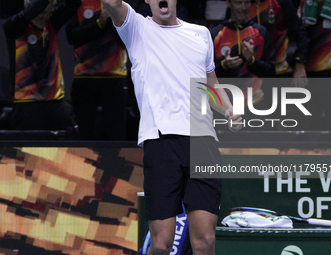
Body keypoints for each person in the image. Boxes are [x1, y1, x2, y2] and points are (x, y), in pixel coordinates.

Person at [101, 0, 242, 254]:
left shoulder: (200, 34)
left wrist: (229, 110)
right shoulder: (136, 29)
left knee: (205, 240)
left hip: (203, 142)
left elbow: (211, 85)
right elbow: (111, 2)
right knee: (162, 243)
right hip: (161, 142)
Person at [3, 0, 81, 134]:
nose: (43, 16)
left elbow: (74, 3)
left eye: (48, 11)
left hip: (55, 103)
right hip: (26, 105)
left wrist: (55, 3)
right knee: (25, 154)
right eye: (40, 11)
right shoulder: (14, 26)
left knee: (69, 150)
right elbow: (33, 10)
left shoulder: (52, 24)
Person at [66, 0, 128, 140]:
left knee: (116, 135)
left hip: (114, 78)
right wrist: (99, 23)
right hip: (85, 78)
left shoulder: (120, 4)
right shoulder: (78, 3)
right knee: (84, 134)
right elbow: (72, 37)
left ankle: (114, 162)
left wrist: (115, 20)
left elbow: (128, 38)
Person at [211, 0, 275, 130]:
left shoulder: (261, 33)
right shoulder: (215, 34)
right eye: (238, 3)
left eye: (246, 3)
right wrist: (224, 65)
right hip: (225, 109)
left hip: (255, 106)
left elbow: (271, 72)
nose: (243, 7)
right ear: (228, 3)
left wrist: (251, 60)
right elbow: (205, 76)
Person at [298, 0, 331, 131]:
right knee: (307, 122)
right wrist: (299, 65)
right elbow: (298, 33)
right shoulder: (305, 3)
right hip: (306, 72)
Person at [248, 0, 310, 86]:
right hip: (249, 75)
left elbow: (301, 34)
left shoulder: (281, 3)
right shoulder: (241, 5)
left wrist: (300, 63)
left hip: (278, 72)